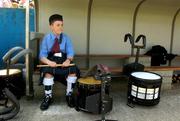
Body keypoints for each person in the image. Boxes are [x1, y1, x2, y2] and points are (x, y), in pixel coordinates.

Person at [39, 14, 79, 110]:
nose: (61, 27)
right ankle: (48, 97)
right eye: (58, 25)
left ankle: (69, 95)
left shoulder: (66, 37)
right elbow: (42, 56)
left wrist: (68, 60)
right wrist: (48, 62)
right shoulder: (46, 38)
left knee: (73, 71)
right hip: (51, 60)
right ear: (51, 26)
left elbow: (70, 52)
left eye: (62, 25)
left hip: (63, 60)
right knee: (48, 73)